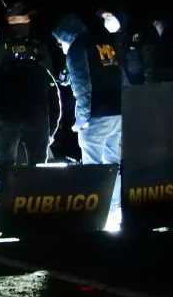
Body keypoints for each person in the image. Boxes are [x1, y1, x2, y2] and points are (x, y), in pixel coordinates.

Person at [52, 13, 122, 212]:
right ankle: (113, 208)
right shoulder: (104, 42)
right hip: (118, 111)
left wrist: (82, 119)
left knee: (93, 168)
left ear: (66, 35)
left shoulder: (77, 48)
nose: (60, 45)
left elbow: (82, 86)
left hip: (96, 116)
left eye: (60, 41)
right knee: (114, 165)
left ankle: (96, 213)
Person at [0, 2, 57, 166]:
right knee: (37, 164)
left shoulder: (0, 47)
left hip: (5, 114)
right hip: (35, 112)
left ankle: (7, 183)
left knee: (6, 164)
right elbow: (53, 88)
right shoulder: (37, 47)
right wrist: (51, 128)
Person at [97, 9, 160, 85]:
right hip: (126, 84)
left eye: (109, 16)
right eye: (105, 18)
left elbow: (152, 57)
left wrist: (150, 80)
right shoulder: (115, 36)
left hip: (144, 84)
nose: (108, 20)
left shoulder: (144, 30)